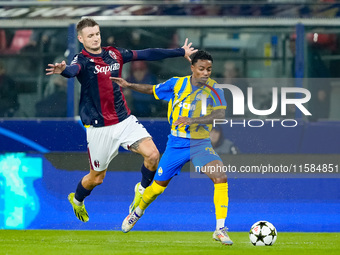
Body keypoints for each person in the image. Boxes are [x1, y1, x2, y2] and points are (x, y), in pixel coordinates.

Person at [45, 18, 197, 223]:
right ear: (81, 39)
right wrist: (63, 70)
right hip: (99, 128)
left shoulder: (114, 54)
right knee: (96, 178)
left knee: (152, 155)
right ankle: (78, 200)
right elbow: (72, 71)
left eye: (97, 33)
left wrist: (180, 51)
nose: (95, 38)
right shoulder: (80, 60)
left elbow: (146, 53)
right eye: (90, 35)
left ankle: (141, 190)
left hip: (124, 120)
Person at [111, 50, 233, 245]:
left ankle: (220, 229)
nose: (206, 73)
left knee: (220, 176)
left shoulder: (216, 89)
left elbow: (220, 115)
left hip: (200, 143)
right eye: (201, 68)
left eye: (209, 69)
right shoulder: (177, 83)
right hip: (176, 144)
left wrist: (193, 119)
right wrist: (129, 85)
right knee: (157, 189)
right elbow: (153, 90)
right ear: (192, 68)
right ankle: (137, 212)